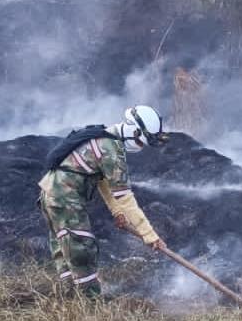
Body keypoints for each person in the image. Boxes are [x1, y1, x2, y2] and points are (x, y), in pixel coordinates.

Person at [37, 105, 169, 297]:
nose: (140, 148)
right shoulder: (111, 149)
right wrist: (150, 235)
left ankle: (69, 298)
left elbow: (103, 183)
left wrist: (117, 213)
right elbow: (125, 197)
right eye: (141, 143)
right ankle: (91, 305)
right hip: (66, 199)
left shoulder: (102, 136)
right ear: (135, 131)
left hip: (50, 194)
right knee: (81, 248)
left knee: (64, 247)